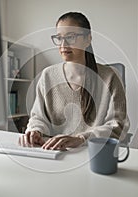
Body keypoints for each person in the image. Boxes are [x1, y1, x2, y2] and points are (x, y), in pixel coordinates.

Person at [19, 12, 129, 150]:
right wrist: (35, 130)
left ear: (88, 39)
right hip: (54, 152)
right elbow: (39, 117)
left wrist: (81, 139)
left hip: (94, 153)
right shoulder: (48, 76)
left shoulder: (110, 77)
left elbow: (118, 125)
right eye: (59, 38)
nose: (63, 44)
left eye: (70, 37)